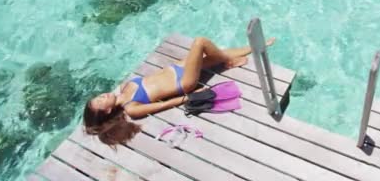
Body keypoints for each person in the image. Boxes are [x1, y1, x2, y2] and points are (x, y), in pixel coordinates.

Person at [83, 36, 275, 146]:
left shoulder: (124, 88)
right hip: (184, 81)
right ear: (107, 111)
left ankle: (254, 47)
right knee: (200, 43)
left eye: (98, 96)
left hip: (175, 69)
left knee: (212, 56)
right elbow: (163, 105)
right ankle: (229, 62)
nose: (102, 96)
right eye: (100, 101)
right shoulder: (131, 108)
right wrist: (186, 97)